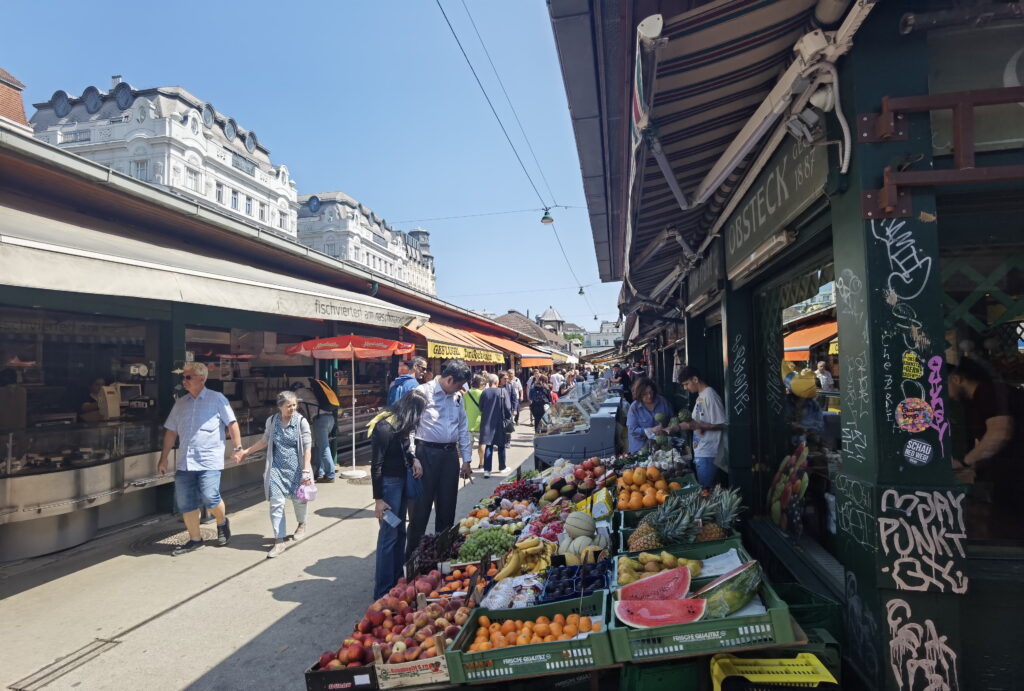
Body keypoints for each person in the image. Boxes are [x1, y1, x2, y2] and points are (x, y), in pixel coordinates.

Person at [158, 362, 243, 556]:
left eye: (188, 377)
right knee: (185, 503)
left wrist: (238, 448)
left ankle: (222, 522)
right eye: (183, 377)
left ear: (201, 379)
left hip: (209, 460)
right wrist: (164, 458)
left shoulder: (217, 399)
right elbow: (171, 432)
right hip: (185, 462)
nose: (184, 381)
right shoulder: (180, 403)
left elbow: (232, 423)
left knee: (210, 498)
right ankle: (195, 540)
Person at [947, 358, 1024, 539]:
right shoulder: (978, 399)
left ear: (956, 379)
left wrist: (966, 462)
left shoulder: (988, 393)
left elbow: (1000, 432)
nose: (945, 394)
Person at [405, 359, 473, 560]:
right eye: (459, 385)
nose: (460, 390)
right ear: (450, 379)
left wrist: (467, 459)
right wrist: (412, 457)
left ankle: (441, 556)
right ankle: (413, 559)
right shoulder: (422, 393)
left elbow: (463, 428)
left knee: (447, 507)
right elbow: (408, 427)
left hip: (449, 456)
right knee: (420, 510)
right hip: (425, 455)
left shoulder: (457, 398)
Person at [366, 389, 429, 598]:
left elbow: (404, 451)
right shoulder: (384, 426)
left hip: (401, 482)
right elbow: (376, 466)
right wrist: (378, 501)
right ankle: (382, 591)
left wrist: (414, 460)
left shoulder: (400, 425)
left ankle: (396, 581)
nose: (420, 418)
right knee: (389, 536)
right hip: (389, 487)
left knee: (400, 530)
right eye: (419, 413)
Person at [238, 391, 313, 558]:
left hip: (297, 469)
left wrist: (306, 470)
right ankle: (279, 541)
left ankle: (302, 524)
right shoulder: (272, 421)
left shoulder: (301, 422)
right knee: (276, 503)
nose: (292, 408)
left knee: (299, 500)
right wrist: (247, 452)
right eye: (289, 406)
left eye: (294, 405)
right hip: (276, 469)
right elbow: (264, 441)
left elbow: (308, 448)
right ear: (280, 407)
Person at [678, 365, 727, 489]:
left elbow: (722, 424)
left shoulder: (710, 395)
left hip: (709, 453)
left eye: (686, 384)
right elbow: (694, 423)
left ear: (695, 379)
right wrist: (674, 428)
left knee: (706, 491)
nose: (685, 388)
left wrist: (700, 425)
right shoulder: (701, 396)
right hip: (701, 451)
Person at [293, 380, 336, 484]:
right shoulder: (310, 391)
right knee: (320, 446)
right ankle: (320, 472)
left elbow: (293, 407)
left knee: (324, 447)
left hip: (320, 420)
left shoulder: (298, 393)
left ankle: (330, 475)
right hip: (330, 418)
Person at [626, 377, 674, 454]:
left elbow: (672, 419)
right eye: (645, 394)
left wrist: (668, 428)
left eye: (651, 392)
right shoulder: (634, 407)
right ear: (639, 394)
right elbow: (633, 430)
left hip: (661, 449)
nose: (649, 396)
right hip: (640, 449)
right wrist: (650, 430)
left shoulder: (662, 402)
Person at [479, 372, 512, 478]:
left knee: (489, 445)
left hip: (487, 422)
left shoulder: (484, 392)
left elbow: (481, 407)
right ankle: (502, 467)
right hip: (500, 423)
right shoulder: (503, 391)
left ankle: (487, 470)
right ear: (497, 382)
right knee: (501, 445)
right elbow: (507, 407)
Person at [462, 373, 486, 468]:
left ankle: (467, 464)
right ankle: (481, 463)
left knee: (468, 447)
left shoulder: (466, 393)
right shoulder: (483, 394)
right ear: (481, 384)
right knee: (482, 444)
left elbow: (463, 408)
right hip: (480, 423)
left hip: (468, 424)